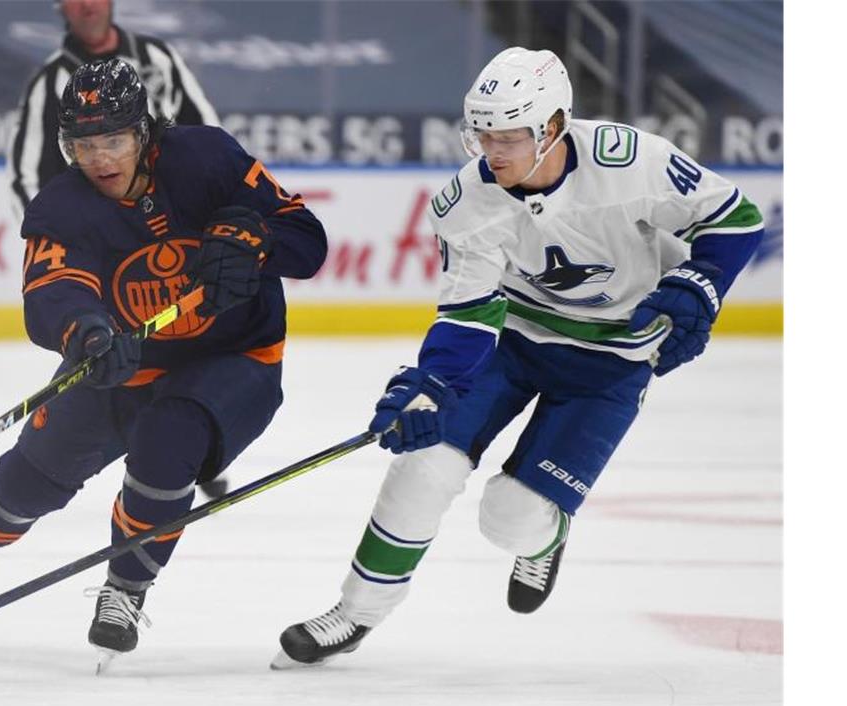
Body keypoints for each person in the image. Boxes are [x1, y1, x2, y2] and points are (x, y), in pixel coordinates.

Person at [272, 47, 764, 669]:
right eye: (482, 136)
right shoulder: (466, 201)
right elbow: (468, 312)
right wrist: (430, 384)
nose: (492, 153)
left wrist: (702, 282)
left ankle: (546, 534)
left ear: (553, 126)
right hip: (513, 341)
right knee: (424, 468)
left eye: (509, 137)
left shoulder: (631, 161)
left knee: (511, 516)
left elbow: (735, 218)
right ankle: (356, 612)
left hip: (611, 360)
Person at [0, 58, 327, 670]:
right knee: (31, 476)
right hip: (123, 359)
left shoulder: (208, 159)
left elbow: (306, 238)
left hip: (231, 359)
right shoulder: (61, 206)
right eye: (83, 145)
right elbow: (50, 293)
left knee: (170, 441)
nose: (101, 159)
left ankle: (125, 591)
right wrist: (87, 332)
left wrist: (256, 243)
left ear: (144, 132)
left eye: (113, 139)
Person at [8, 0, 218, 221]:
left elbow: (209, 140)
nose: (87, 4)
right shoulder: (49, 84)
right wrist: (59, 236)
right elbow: (26, 180)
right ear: (60, 6)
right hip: (96, 237)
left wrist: (208, 217)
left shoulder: (158, 58)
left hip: (177, 224)